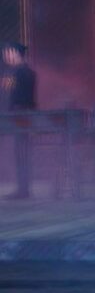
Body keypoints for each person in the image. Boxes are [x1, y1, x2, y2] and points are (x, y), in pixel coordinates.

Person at [2, 42, 37, 200]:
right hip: (20, 116)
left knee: (21, 152)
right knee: (20, 152)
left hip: (18, 116)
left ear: (16, 54)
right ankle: (23, 188)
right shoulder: (23, 72)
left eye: (8, 52)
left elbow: (11, 95)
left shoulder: (18, 73)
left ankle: (23, 190)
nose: (6, 56)